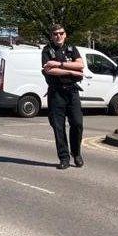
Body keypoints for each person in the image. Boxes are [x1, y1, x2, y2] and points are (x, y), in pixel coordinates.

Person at [41, 24, 85, 170]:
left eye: (61, 33)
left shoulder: (72, 49)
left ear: (65, 34)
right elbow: (50, 70)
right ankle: (64, 158)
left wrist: (59, 64)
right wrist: (72, 72)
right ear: (51, 36)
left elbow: (81, 65)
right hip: (56, 93)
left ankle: (76, 153)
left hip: (72, 92)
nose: (58, 36)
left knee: (77, 124)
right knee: (58, 128)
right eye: (55, 34)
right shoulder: (47, 50)